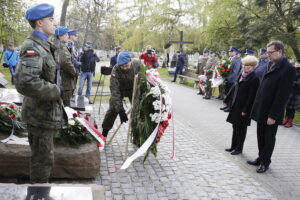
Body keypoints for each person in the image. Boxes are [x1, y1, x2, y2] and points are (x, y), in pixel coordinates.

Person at [14, 3, 66, 183]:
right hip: (39, 115)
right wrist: (56, 90)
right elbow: (25, 82)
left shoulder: (44, 44)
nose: (54, 24)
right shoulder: (32, 47)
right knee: (42, 161)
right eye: (51, 20)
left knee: (45, 158)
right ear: (40, 23)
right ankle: (38, 192)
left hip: (45, 113)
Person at [248, 40, 296, 173]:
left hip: (272, 111)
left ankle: (265, 161)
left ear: (280, 52)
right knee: (260, 134)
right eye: (267, 52)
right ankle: (260, 156)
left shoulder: (288, 69)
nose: (268, 55)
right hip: (262, 107)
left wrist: (273, 115)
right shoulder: (270, 63)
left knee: (269, 137)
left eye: (270, 52)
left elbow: (283, 95)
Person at [102, 51, 142, 137]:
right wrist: (120, 110)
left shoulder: (137, 64)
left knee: (138, 110)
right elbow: (114, 91)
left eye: (126, 65)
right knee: (113, 109)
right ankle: (104, 132)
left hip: (133, 89)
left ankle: (137, 133)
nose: (124, 68)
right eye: (122, 66)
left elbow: (144, 79)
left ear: (130, 61)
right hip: (120, 90)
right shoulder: (115, 70)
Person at [225, 55, 260, 155]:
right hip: (236, 105)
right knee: (235, 127)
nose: (246, 67)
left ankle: (239, 149)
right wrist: (228, 100)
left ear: (253, 66)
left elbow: (252, 96)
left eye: (249, 65)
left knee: (241, 129)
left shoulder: (254, 78)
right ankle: (233, 146)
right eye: (245, 65)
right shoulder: (242, 74)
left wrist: (246, 109)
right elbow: (235, 88)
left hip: (244, 108)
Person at [55, 26, 76, 107]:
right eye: (66, 34)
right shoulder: (61, 47)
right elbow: (66, 62)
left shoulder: (58, 45)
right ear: (60, 36)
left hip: (62, 81)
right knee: (66, 107)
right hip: (64, 82)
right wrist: (74, 72)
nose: (68, 36)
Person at [221, 47, 242, 112]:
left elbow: (235, 72)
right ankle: (227, 105)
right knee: (227, 92)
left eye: (232, 52)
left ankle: (230, 107)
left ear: (236, 52)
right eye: (230, 51)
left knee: (231, 94)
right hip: (228, 79)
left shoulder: (237, 60)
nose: (230, 52)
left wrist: (228, 78)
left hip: (232, 80)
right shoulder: (231, 58)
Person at [282, 60, 300, 128]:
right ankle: (286, 119)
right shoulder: (293, 70)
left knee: (292, 108)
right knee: (287, 106)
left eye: (298, 63)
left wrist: (291, 81)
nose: (296, 64)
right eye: (296, 62)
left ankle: (290, 121)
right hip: (289, 90)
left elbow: (298, 83)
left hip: (295, 92)